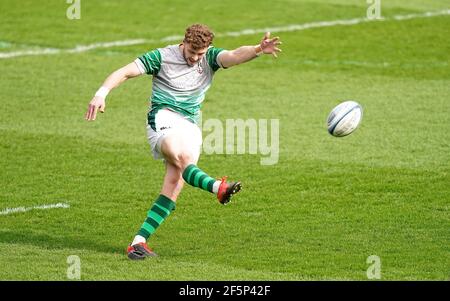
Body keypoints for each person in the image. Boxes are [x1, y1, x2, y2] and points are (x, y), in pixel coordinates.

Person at [85, 24, 282, 260]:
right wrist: (101, 93)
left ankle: (138, 242)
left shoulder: (209, 57)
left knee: (174, 182)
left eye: (200, 54)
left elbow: (234, 56)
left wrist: (258, 49)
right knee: (180, 156)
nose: (195, 58)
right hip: (163, 117)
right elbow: (124, 72)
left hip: (190, 125)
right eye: (192, 52)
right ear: (184, 42)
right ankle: (217, 187)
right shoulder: (161, 57)